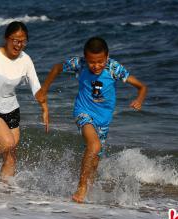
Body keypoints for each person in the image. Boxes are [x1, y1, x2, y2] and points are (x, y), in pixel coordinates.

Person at [37, 37, 147, 203]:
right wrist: (44, 89)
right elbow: (57, 68)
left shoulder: (114, 68)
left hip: (103, 120)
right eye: (91, 62)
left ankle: (87, 194)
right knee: (94, 145)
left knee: (95, 160)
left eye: (100, 61)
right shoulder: (80, 64)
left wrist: (139, 99)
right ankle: (81, 187)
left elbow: (142, 86)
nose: (96, 66)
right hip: (83, 112)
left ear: (107, 56)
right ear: (85, 58)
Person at [0, 21, 48, 181]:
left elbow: (36, 86)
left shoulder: (26, 60)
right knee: (7, 142)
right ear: (7, 38)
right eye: (15, 40)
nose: (19, 45)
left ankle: (5, 193)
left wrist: (45, 109)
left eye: (23, 41)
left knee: (11, 155)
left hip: (12, 109)